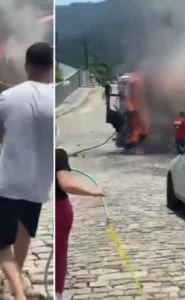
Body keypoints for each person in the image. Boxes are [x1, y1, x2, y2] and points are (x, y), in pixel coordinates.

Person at [0, 42, 53, 300]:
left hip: (8, 180)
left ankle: (17, 292)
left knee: (2, 242)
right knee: (24, 232)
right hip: (39, 183)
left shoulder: (7, 97)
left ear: (26, 66)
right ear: (51, 68)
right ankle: (16, 281)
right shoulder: (54, 99)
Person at [55, 148, 105, 300]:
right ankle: (57, 293)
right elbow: (66, 185)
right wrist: (93, 192)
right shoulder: (58, 154)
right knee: (60, 253)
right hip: (58, 209)